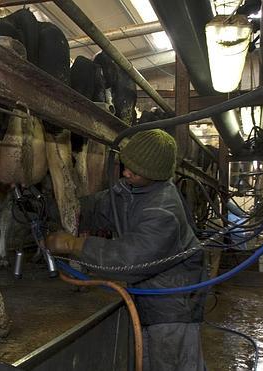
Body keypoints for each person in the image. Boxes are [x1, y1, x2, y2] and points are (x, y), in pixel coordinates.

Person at [45, 129, 207, 371]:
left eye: (136, 171)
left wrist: (72, 244)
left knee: (171, 365)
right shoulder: (132, 191)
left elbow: (130, 259)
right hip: (147, 300)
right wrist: (50, 205)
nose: (126, 172)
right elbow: (98, 208)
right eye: (126, 164)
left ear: (156, 176)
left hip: (172, 310)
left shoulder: (164, 211)